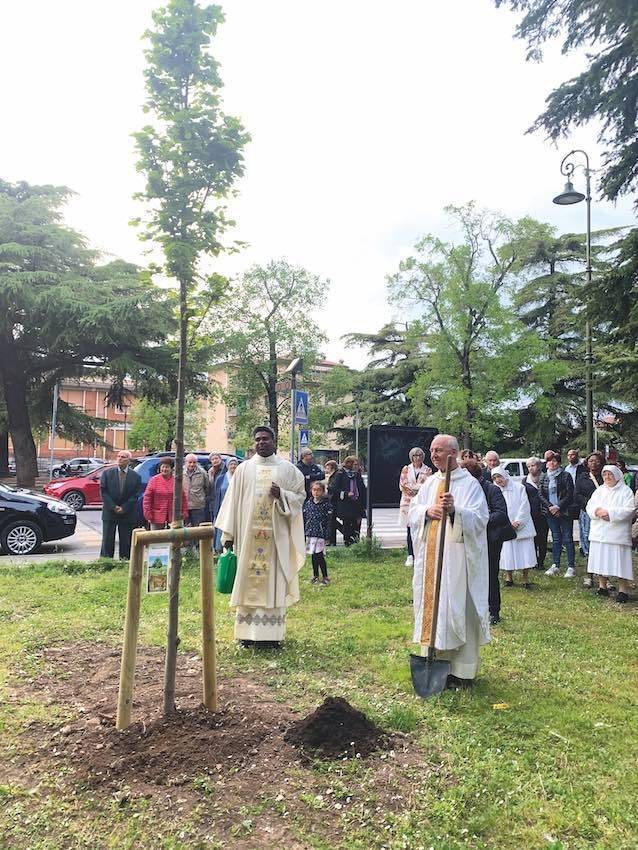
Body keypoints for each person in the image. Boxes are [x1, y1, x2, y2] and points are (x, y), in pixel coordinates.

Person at [408, 434, 490, 689]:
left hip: (457, 563)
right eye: (432, 450)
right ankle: (434, 660)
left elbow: (480, 520)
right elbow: (413, 510)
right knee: (433, 608)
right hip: (431, 559)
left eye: (439, 450)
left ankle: (461, 671)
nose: (433, 455)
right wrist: (426, 512)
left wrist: (457, 511)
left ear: (453, 453)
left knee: (458, 609)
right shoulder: (431, 483)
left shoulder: (470, 485)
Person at [215, 425, 306, 648]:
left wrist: (282, 495)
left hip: (275, 541)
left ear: (274, 442)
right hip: (248, 539)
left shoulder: (287, 469)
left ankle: (272, 637)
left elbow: (300, 496)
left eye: (265, 439)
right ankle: (246, 635)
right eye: (257, 439)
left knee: (273, 582)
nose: (261, 443)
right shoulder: (244, 470)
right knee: (246, 583)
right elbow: (231, 503)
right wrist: (228, 534)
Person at [461, 457, 512, 626]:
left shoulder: (491, 489)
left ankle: (494, 611)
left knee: (490, 574)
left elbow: (501, 514)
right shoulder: (465, 490)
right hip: (470, 538)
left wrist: (480, 521)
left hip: (490, 539)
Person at [586, 465, 635, 602]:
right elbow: (590, 506)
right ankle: (602, 586)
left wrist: (611, 514)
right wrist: (597, 511)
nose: (607, 477)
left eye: (610, 474)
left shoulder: (625, 491)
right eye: (605, 475)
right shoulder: (599, 491)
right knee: (600, 561)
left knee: (620, 563)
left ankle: (623, 590)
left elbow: (630, 510)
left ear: (617, 476)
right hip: (600, 533)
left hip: (617, 534)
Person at [491, 466, 537, 589]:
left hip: (521, 524)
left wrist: (518, 522)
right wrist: (507, 523)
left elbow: (525, 506)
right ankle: (508, 577)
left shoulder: (519, 487)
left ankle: (525, 578)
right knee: (507, 552)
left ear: (505, 475)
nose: (498, 480)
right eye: (494, 478)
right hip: (505, 525)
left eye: (499, 476)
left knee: (525, 552)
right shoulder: (495, 491)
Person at [100, 450, 142, 560]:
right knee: (107, 540)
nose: (119, 458)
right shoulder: (107, 473)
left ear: (129, 460)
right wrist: (113, 507)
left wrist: (124, 508)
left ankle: (125, 562)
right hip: (110, 512)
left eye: (123, 457)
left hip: (127, 513)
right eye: (118, 456)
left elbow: (135, 495)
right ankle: (106, 562)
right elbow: (104, 492)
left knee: (126, 541)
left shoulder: (136, 476)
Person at [540, 452, 576, 578]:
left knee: (568, 538)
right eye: (549, 461)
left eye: (554, 461)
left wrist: (558, 506)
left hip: (564, 511)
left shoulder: (566, 475)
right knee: (556, 539)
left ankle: (571, 566)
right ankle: (556, 564)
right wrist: (550, 507)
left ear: (559, 462)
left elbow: (569, 493)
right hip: (550, 512)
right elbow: (540, 494)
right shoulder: (544, 476)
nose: (552, 463)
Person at [574, 451, 604, 586]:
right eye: (591, 461)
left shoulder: (605, 477)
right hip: (587, 513)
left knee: (603, 544)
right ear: (587, 463)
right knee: (588, 541)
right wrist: (591, 505)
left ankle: (604, 578)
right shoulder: (582, 477)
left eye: (597, 461)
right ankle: (589, 576)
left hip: (603, 514)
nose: (594, 463)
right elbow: (577, 495)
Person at [399, 447, 432, 568]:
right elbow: (403, 484)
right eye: (414, 455)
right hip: (408, 502)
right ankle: (410, 555)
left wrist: (416, 489)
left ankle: (420, 554)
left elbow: (427, 485)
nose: (417, 458)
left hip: (421, 502)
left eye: (419, 455)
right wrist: (417, 488)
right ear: (411, 457)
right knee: (409, 529)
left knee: (421, 528)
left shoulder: (427, 470)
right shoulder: (406, 469)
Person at [329, 456, 367, 547]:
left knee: (357, 524)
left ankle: (356, 543)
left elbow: (362, 488)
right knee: (347, 524)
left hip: (357, 503)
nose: (357, 466)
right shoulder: (340, 474)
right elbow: (333, 488)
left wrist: (364, 503)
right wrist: (345, 494)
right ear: (349, 464)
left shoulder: (357, 474)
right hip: (346, 504)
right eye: (355, 464)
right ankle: (348, 543)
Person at [142, 458, 188, 530]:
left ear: (171, 469)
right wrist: (148, 514)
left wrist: (184, 512)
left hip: (174, 516)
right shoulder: (154, 480)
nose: (164, 469)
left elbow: (183, 497)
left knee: (174, 539)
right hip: (156, 516)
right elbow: (147, 499)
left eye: (167, 467)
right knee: (156, 539)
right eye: (163, 467)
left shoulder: (176, 481)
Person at [303, 480, 333, 585]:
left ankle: (325, 576)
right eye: (314, 490)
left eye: (319, 490)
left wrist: (328, 535)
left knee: (319, 555)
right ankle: (315, 576)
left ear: (323, 491)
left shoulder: (326, 505)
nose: (316, 492)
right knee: (313, 555)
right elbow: (304, 518)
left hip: (320, 534)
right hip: (310, 533)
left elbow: (330, 521)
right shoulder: (308, 504)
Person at [524, 457, 548, 570]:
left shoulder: (546, 478)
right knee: (532, 538)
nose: (531, 468)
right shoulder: (525, 481)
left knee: (542, 539)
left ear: (539, 466)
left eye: (533, 465)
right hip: (531, 514)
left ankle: (541, 562)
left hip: (544, 514)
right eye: (528, 466)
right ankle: (533, 561)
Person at [213, 457, 238, 551]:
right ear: (227, 466)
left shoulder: (239, 478)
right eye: (231, 464)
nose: (233, 466)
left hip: (235, 508)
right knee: (222, 527)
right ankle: (219, 549)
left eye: (235, 464)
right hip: (223, 508)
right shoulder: (221, 479)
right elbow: (216, 495)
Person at [184, 453, 210, 529]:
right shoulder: (180, 473)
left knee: (198, 529)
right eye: (190, 462)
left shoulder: (202, 473)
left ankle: (196, 542)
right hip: (184, 506)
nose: (192, 464)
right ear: (186, 462)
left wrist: (201, 498)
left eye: (194, 462)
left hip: (198, 506)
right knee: (185, 531)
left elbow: (207, 487)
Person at [323, 459, 341, 545]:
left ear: (331, 467)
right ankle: (332, 539)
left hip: (334, 500)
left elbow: (333, 487)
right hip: (333, 499)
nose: (326, 470)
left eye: (327, 468)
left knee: (332, 521)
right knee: (332, 520)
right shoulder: (335, 475)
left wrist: (328, 487)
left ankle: (332, 540)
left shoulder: (336, 475)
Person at [208, 452, 227, 525]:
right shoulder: (210, 471)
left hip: (222, 499)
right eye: (213, 459)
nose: (215, 460)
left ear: (220, 459)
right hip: (213, 501)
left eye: (216, 458)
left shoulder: (225, 469)